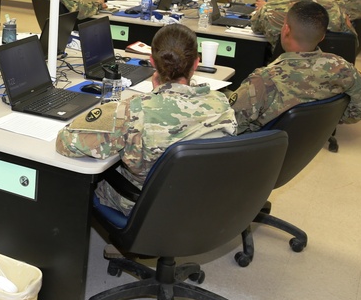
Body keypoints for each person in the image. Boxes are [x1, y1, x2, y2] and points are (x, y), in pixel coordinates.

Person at [56, 24, 237, 216]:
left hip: (147, 207)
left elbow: (66, 143)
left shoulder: (133, 111)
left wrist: (153, 96)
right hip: (204, 200)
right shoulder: (221, 103)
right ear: (196, 64)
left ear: (152, 61)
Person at [229, 0, 361, 133]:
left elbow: (229, 126)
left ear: (285, 30)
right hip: (303, 146)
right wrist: (328, 118)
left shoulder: (262, 81)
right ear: (322, 37)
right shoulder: (344, 69)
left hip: (265, 149)